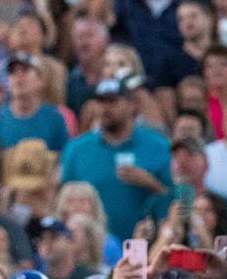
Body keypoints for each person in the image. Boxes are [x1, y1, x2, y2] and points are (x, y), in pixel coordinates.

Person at [61, 77, 171, 239]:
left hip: (145, 245)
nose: (106, 108)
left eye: (113, 101)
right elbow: (63, 201)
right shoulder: (77, 149)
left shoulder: (159, 146)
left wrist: (152, 184)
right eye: (101, 102)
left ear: (133, 105)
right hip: (92, 250)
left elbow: (175, 201)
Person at [0, 53, 70, 151]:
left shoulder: (55, 120)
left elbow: (63, 158)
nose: (18, 76)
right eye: (12, 72)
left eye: (25, 70)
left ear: (41, 80)